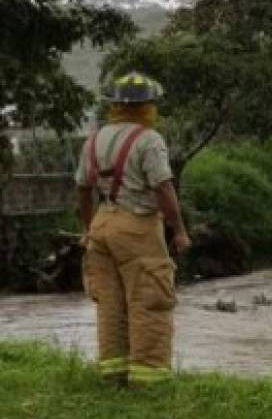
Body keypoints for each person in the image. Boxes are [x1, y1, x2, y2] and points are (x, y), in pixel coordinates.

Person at [76, 72, 191, 387]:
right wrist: (179, 230)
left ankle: (113, 375)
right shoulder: (149, 139)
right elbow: (164, 189)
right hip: (137, 226)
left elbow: (83, 189)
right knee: (149, 299)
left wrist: (89, 229)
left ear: (114, 106)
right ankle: (149, 379)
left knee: (109, 304)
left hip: (102, 223)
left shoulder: (94, 140)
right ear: (147, 106)